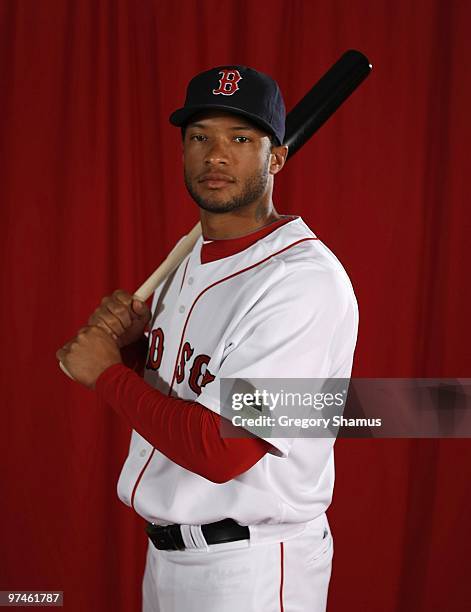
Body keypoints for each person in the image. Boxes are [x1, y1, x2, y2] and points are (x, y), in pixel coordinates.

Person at [57, 65, 359, 612]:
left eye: (240, 139)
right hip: (169, 559)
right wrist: (128, 348)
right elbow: (187, 383)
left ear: (276, 158)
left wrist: (106, 373)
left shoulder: (303, 283)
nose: (215, 156)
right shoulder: (191, 257)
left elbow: (225, 447)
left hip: (254, 569)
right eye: (200, 138)